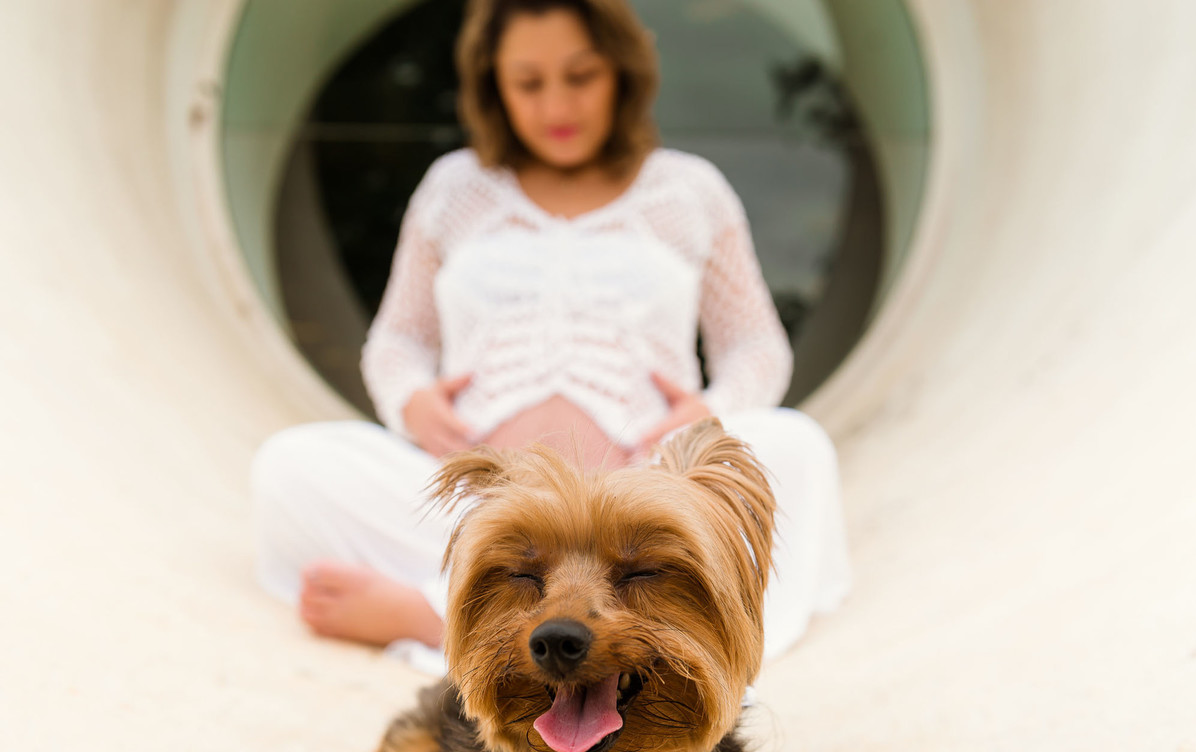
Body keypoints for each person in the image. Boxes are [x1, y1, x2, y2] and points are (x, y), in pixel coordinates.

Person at [252, 0, 851, 674]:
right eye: (528, 83)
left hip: (641, 510)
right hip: (480, 508)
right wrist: (412, 402)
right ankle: (480, 602)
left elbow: (755, 347)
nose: (556, 105)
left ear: (621, 73)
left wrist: (706, 417)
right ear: (492, 86)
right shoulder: (455, 189)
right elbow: (397, 342)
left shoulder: (689, 191)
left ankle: (439, 618)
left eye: (580, 76)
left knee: (795, 445)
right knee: (289, 464)